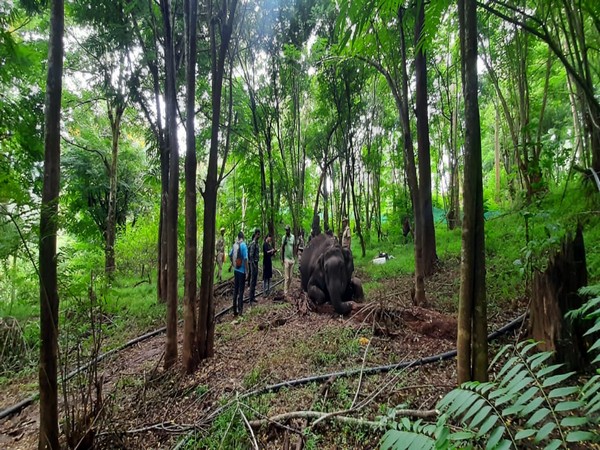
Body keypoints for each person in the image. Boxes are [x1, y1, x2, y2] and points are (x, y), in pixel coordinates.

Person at [229, 231, 248, 316]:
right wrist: (247, 271)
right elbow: (246, 259)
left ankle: (234, 310)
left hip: (236, 270)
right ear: (243, 237)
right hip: (242, 271)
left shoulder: (235, 245)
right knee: (241, 290)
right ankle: (240, 311)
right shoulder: (243, 245)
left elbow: (230, 255)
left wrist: (234, 263)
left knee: (236, 290)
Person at [247, 228, 261, 304]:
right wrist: (253, 265)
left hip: (256, 263)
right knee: (252, 281)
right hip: (253, 264)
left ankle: (253, 297)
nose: (259, 236)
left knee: (255, 281)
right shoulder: (253, 244)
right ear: (256, 234)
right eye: (258, 234)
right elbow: (251, 255)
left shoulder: (257, 243)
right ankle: (250, 299)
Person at [281, 225, 295, 296]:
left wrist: (294, 256)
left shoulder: (293, 237)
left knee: (291, 277)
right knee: (287, 277)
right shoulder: (284, 237)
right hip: (286, 259)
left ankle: (288, 290)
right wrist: (282, 259)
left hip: (292, 259)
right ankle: (285, 293)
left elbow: (294, 246)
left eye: (287, 230)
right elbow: (282, 248)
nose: (286, 231)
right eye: (285, 230)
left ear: (290, 230)